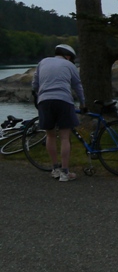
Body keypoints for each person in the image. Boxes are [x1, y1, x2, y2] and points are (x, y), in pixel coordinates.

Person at [32, 44, 86, 182]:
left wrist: (38, 96)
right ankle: (65, 173)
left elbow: (35, 84)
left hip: (44, 101)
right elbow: (77, 85)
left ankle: (55, 169)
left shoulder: (42, 62)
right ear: (68, 56)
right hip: (63, 100)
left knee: (50, 135)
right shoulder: (70, 65)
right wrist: (83, 103)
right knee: (64, 137)